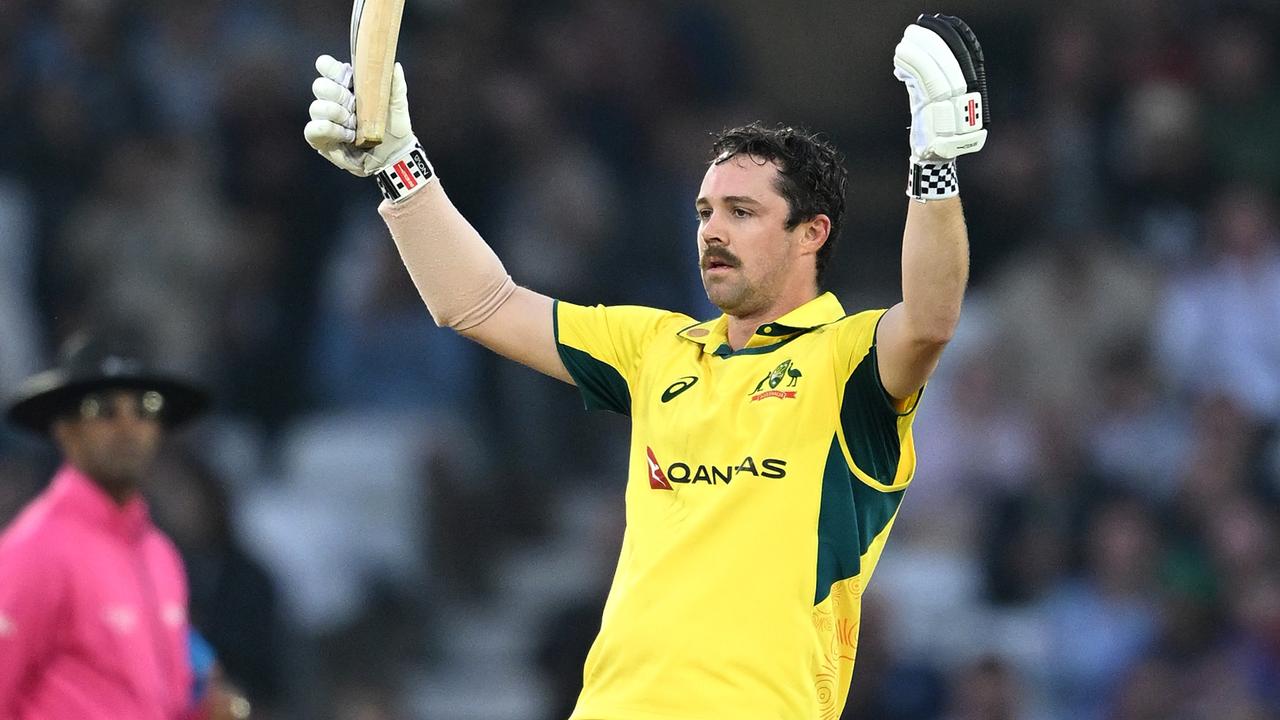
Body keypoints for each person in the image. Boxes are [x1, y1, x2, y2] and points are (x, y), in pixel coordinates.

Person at [305, 12, 987, 720]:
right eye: (703, 212)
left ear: (811, 233)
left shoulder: (846, 358)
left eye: (742, 212)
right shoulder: (658, 347)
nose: (713, 230)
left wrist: (934, 163)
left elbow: (932, 319)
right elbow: (475, 303)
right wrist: (399, 166)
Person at [0, 333, 250, 720]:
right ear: (65, 429)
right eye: (103, 409)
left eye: (145, 408)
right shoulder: (35, 549)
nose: (127, 426)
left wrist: (204, 709)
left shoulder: (160, 554)